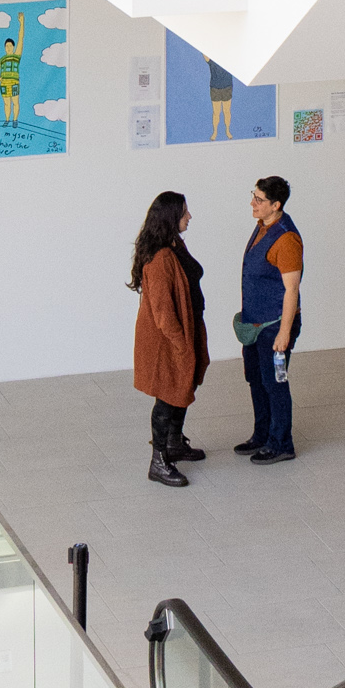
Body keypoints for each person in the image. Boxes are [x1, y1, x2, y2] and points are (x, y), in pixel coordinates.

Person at [130, 187, 206, 486]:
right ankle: (158, 461)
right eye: (185, 212)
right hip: (169, 340)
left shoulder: (174, 244)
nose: (189, 216)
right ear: (172, 217)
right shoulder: (160, 259)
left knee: (181, 387)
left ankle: (174, 443)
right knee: (168, 395)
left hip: (185, 332)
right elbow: (163, 313)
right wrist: (181, 344)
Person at [236, 173, 304, 462]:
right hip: (255, 325)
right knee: (256, 379)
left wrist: (284, 333)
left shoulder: (286, 239)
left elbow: (291, 290)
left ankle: (281, 443)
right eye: (253, 195)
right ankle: (261, 434)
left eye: (259, 199)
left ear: (276, 204)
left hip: (274, 326)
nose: (252, 202)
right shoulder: (262, 226)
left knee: (274, 383)